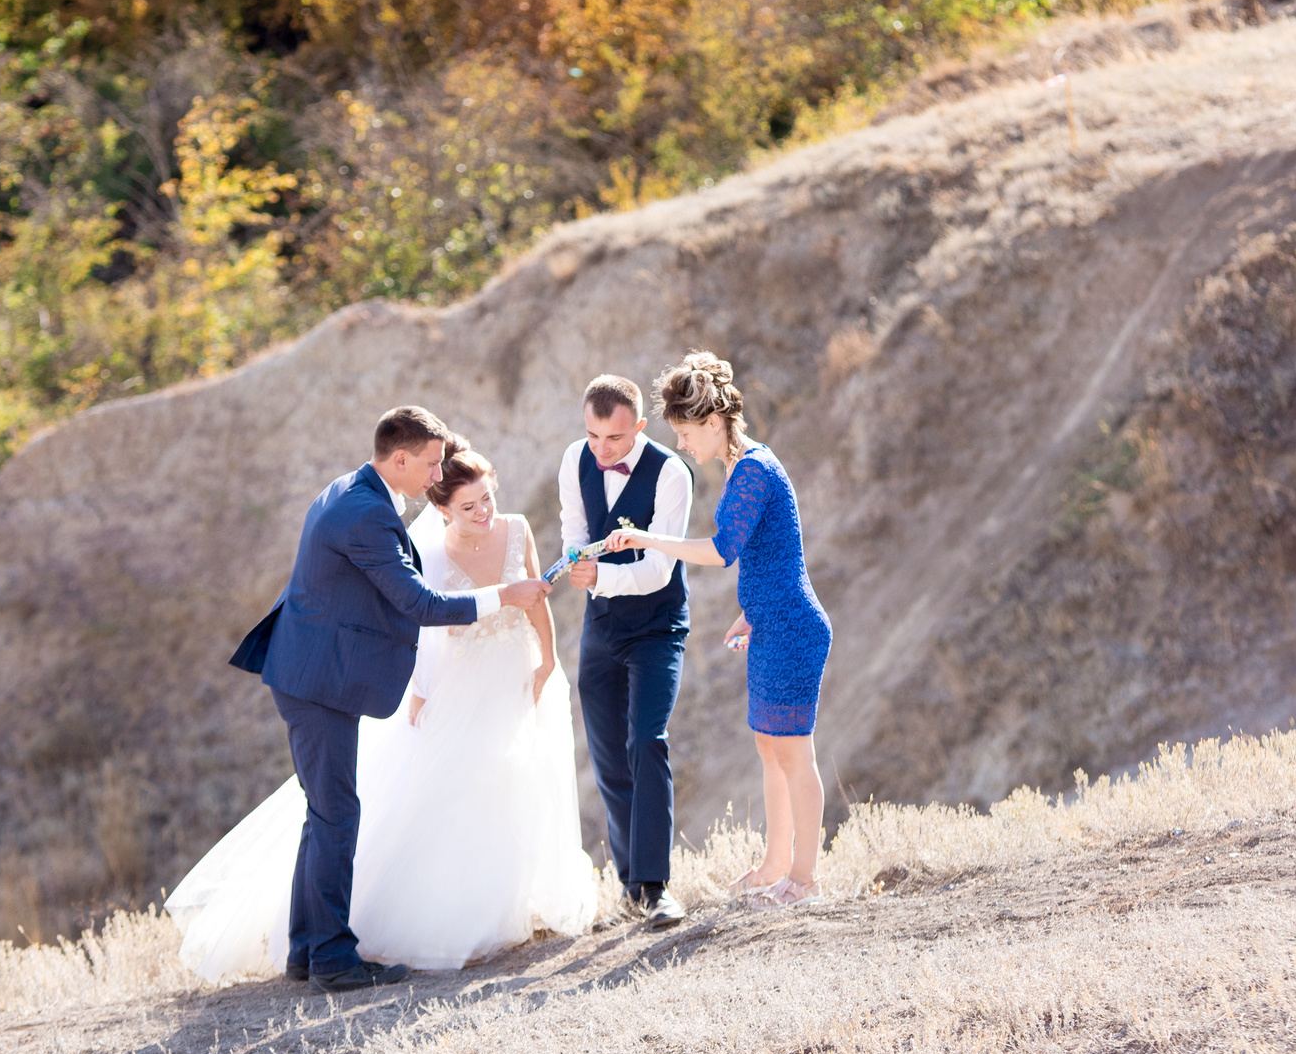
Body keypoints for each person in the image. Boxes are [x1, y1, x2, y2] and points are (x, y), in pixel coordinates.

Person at [169, 439, 597, 979]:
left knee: (328, 813)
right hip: (318, 679)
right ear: (402, 459)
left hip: (320, 669)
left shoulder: (355, 495)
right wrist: (501, 598)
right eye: (430, 466)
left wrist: (540, 650)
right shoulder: (367, 513)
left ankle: (308, 950)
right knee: (337, 813)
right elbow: (420, 607)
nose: (434, 475)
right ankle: (328, 957)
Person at [601, 353, 832, 906]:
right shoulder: (741, 466)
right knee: (769, 746)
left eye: (684, 432)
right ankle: (776, 863)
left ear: (711, 422)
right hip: (772, 622)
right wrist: (751, 611)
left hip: (795, 628)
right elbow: (774, 553)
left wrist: (649, 540)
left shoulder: (752, 470)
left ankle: (805, 880)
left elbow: (722, 550)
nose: (682, 444)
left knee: (795, 753)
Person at [557, 375, 695, 929]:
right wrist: (575, 560)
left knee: (647, 742)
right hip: (600, 628)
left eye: (613, 439)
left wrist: (598, 580)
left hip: (658, 628)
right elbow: (574, 529)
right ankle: (632, 888)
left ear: (639, 426)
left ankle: (658, 888)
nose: (600, 449)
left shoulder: (671, 473)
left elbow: (662, 567)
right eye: (592, 435)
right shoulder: (575, 458)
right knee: (610, 757)